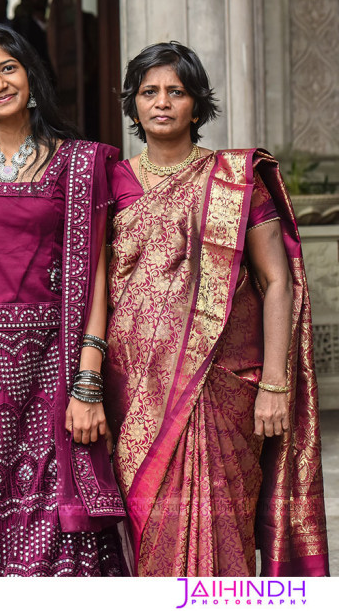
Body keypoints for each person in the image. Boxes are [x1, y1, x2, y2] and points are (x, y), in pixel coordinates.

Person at [104, 41, 329, 576]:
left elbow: (277, 282)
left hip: (224, 387)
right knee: (151, 531)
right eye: (148, 92)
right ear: (133, 105)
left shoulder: (235, 180)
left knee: (225, 529)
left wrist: (276, 383)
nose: (162, 103)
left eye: (176, 92)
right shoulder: (111, 183)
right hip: (136, 391)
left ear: (197, 105)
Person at [0, 23, 125, 576]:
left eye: (7, 68)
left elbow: (97, 276)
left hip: (50, 362)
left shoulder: (79, 165)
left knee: (50, 516)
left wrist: (88, 377)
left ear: (31, 75)